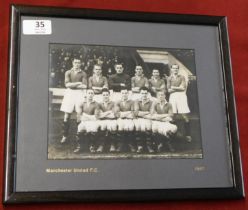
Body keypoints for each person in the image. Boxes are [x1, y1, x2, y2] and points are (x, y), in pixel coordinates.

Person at [60, 57, 87, 144]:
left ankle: (78, 135)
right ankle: (64, 136)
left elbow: (84, 86)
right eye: (75, 62)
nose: (77, 64)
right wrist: (78, 83)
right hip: (69, 94)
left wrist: (73, 85)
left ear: (81, 63)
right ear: (73, 63)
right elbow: (67, 85)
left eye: (78, 62)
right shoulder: (68, 72)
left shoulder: (83, 73)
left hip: (79, 94)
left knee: (79, 114)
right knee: (67, 115)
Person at [167, 64, 191, 142]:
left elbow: (183, 88)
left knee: (184, 115)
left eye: (176, 68)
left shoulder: (182, 77)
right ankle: (174, 135)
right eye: (173, 68)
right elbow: (168, 90)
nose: (175, 70)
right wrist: (178, 88)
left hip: (182, 96)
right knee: (172, 115)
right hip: (173, 96)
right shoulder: (169, 78)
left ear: (178, 69)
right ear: (171, 69)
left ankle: (188, 135)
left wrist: (173, 87)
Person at [74, 89, 100, 153]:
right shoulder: (82, 103)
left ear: (94, 95)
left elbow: (96, 117)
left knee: (93, 128)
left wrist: (85, 115)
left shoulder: (96, 104)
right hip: (84, 121)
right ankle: (79, 147)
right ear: (86, 94)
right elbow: (79, 116)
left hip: (93, 122)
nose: (90, 95)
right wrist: (86, 117)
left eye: (92, 93)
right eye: (89, 93)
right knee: (80, 128)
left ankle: (92, 147)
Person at [133, 87, 154, 153]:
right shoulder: (136, 101)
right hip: (139, 118)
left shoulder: (151, 102)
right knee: (138, 126)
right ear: (140, 94)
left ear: (148, 94)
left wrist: (142, 113)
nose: (144, 95)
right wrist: (146, 112)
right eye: (142, 93)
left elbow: (151, 112)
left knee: (148, 126)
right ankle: (140, 146)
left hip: (148, 118)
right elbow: (136, 112)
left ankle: (149, 146)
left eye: (145, 93)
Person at [97, 88, 118, 153]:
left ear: (109, 95)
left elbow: (114, 115)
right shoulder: (99, 104)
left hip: (111, 120)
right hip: (102, 120)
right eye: (104, 95)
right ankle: (101, 145)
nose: (105, 96)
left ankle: (112, 145)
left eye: (107, 95)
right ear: (101, 95)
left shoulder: (114, 103)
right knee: (102, 126)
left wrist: (104, 114)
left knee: (113, 126)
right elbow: (99, 116)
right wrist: (109, 112)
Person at [115, 88, 135, 152]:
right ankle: (120, 145)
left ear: (128, 94)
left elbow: (132, 113)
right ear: (121, 94)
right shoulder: (117, 102)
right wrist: (128, 112)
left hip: (129, 119)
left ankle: (131, 144)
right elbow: (117, 114)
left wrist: (123, 114)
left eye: (126, 93)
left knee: (130, 127)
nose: (124, 94)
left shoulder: (132, 102)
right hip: (120, 119)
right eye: (123, 93)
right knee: (120, 127)